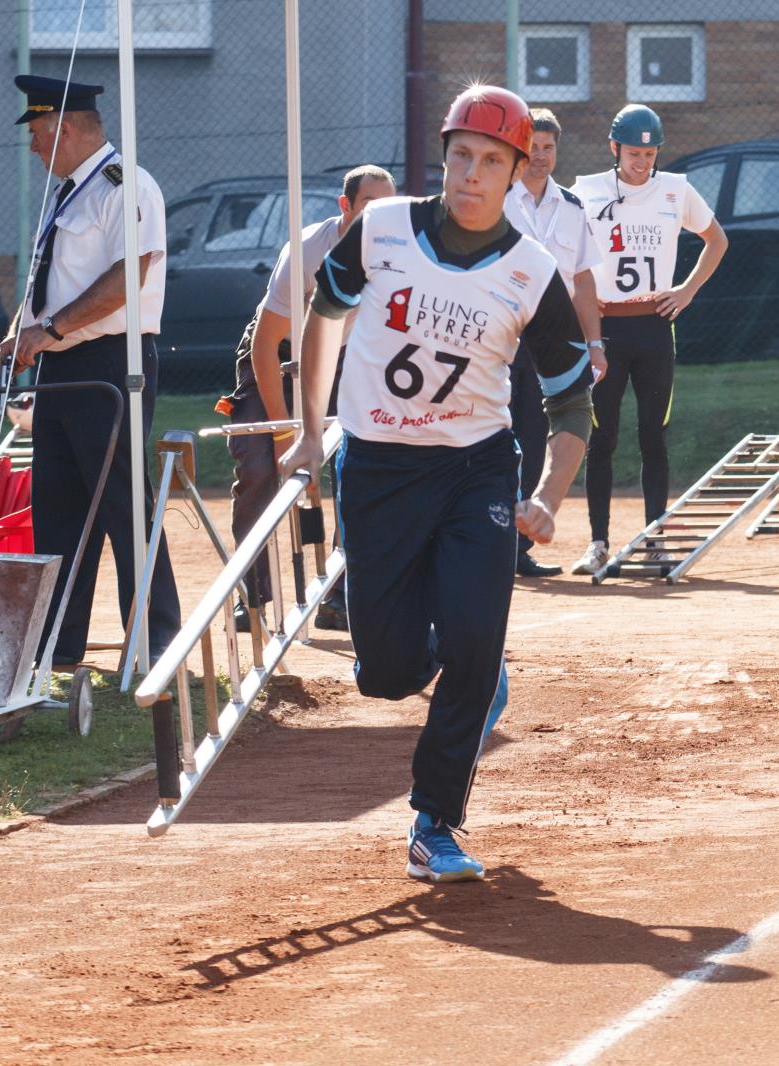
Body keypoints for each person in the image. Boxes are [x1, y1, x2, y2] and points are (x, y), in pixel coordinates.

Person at [277, 85, 595, 882]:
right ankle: (455, 664)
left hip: (475, 470)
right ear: (443, 159)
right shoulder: (381, 228)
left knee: (475, 644)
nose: (471, 174)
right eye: (460, 156)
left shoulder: (532, 272)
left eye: (490, 161)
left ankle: (435, 823)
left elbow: (571, 401)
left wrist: (548, 497)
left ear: (517, 172)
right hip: (378, 468)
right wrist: (311, 431)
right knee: (385, 673)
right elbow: (324, 317)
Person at [0, 75, 180, 666]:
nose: (32, 147)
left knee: (124, 501)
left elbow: (129, 277)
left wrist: (48, 330)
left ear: (66, 130)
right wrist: (23, 329)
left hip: (109, 362)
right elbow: (50, 276)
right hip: (60, 366)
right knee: (57, 507)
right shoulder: (68, 192)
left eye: (37, 134)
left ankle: (155, 640)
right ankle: (58, 643)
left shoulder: (125, 184)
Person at [221, 164, 396, 632]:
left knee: (359, 468)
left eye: (388, 207)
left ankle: (338, 594)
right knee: (259, 468)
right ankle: (252, 599)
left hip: (344, 356)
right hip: (278, 354)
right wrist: (285, 433)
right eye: (369, 206)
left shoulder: (398, 252)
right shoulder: (306, 250)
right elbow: (264, 344)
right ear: (345, 206)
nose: (378, 217)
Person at [568, 105, 729, 576]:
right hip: (606, 328)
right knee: (602, 435)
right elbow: (563, 251)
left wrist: (687, 290)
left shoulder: (675, 189)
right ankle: (598, 542)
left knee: (653, 434)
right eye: (634, 153)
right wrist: (582, 306)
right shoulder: (586, 191)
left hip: (655, 325)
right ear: (614, 148)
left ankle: (654, 540)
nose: (642, 162)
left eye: (650, 154)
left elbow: (717, 240)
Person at [503, 108, 605, 577]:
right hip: (500, 338)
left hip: (552, 344)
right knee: (494, 439)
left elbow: (582, 280)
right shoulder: (497, 200)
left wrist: (595, 344)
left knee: (532, 439)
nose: (540, 156)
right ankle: (488, 540)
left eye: (548, 147)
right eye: (532, 148)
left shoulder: (572, 207)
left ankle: (518, 548)